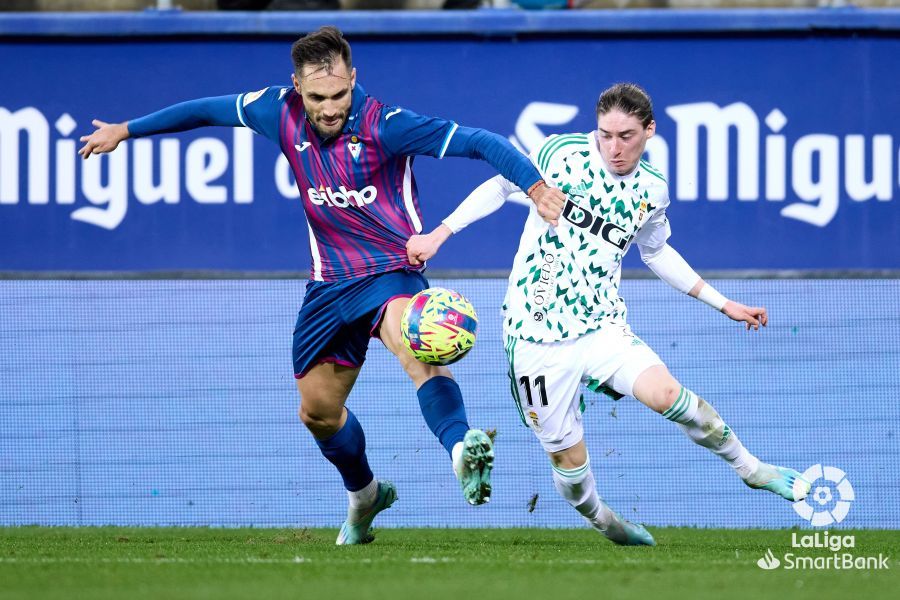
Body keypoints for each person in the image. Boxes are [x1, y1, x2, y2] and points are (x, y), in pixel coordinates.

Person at [78, 26, 566, 545]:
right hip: (328, 287)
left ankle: (459, 447)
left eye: (339, 94)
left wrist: (535, 187)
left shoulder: (387, 125)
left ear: (353, 79)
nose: (330, 108)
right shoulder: (277, 111)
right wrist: (126, 130)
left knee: (416, 344)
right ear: (296, 87)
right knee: (317, 412)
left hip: (390, 271)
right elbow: (203, 111)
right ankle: (365, 495)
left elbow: (480, 141)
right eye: (317, 98)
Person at [406, 82, 812, 546]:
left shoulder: (652, 189)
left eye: (626, 136)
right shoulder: (562, 155)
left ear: (650, 131)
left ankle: (752, 469)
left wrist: (723, 303)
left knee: (668, 396)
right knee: (571, 471)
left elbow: (656, 253)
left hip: (602, 327)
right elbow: (500, 187)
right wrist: (439, 235)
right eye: (605, 135)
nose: (614, 148)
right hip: (535, 336)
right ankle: (604, 521)